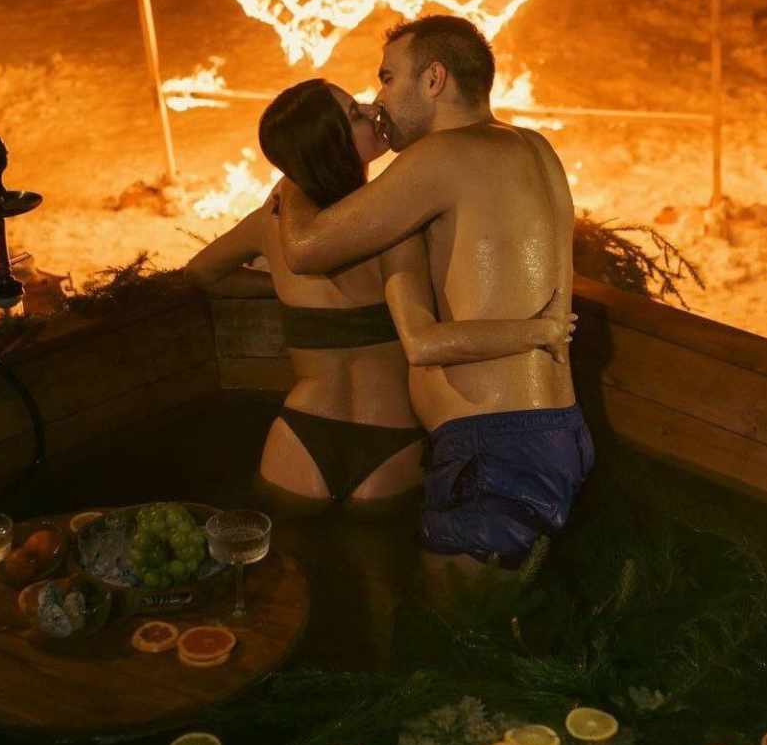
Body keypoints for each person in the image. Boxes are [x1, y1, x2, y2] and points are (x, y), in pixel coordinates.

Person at [277, 16, 594, 572]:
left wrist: (294, 179)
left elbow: (304, 248)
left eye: (387, 77)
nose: (378, 99)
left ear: (433, 80)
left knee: (459, 621)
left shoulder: (441, 156)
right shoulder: (535, 147)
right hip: (554, 430)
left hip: (492, 443)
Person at [186, 78, 575, 513]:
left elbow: (202, 273)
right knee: (383, 554)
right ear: (332, 146)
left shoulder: (269, 224)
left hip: (299, 433)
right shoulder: (394, 227)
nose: (374, 109)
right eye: (355, 114)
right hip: (391, 438)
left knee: (284, 552)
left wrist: (277, 284)